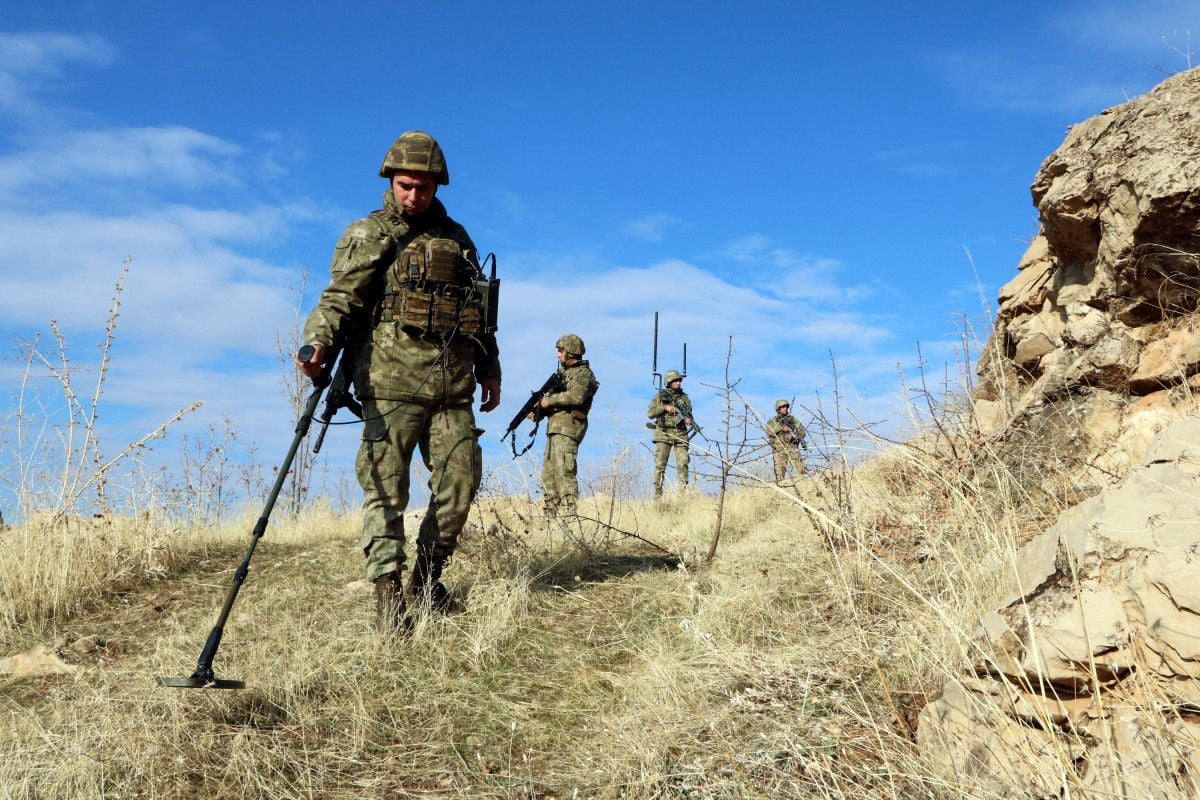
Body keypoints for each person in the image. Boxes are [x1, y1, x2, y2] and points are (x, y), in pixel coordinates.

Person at [296, 130, 501, 632]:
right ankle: (389, 596)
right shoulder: (368, 233)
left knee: (461, 483)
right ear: (391, 180)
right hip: (389, 384)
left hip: (452, 386)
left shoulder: (458, 238)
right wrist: (316, 343)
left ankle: (428, 583)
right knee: (386, 491)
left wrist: (490, 365)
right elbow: (339, 297)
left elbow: (478, 312)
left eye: (425, 188)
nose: (415, 196)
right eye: (407, 185)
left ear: (438, 187)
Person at [532, 333, 599, 518]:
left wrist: (549, 401)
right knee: (549, 475)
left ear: (571, 352)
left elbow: (576, 397)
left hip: (569, 429)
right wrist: (538, 412)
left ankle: (570, 518)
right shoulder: (563, 375)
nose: (558, 355)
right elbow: (552, 403)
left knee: (565, 473)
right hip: (554, 430)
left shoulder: (584, 374)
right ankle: (550, 518)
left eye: (560, 351)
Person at [647, 370, 694, 497]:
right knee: (660, 465)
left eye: (679, 380)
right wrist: (665, 408)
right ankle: (658, 495)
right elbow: (650, 414)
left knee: (683, 463)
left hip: (680, 434)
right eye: (675, 381)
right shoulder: (660, 396)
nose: (678, 383)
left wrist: (689, 419)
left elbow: (689, 414)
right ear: (669, 382)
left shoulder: (684, 397)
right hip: (664, 433)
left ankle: (682, 494)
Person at [765, 399, 807, 483]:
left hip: (792, 446)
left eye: (786, 407)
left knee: (801, 470)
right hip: (779, 448)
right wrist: (781, 428)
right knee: (779, 473)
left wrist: (797, 436)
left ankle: (804, 485)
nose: (785, 409)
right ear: (778, 409)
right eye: (782, 407)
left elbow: (802, 431)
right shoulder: (773, 420)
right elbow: (768, 430)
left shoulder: (793, 419)